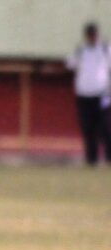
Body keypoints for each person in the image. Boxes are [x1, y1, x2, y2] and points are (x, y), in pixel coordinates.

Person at [66, 22, 111, 166]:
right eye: (90, 34)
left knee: (105, 125)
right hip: (84, 95)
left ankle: (109, 157)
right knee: (88, 127)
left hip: (103, 94)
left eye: (94, 34)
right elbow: (70, 64)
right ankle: (92, 159)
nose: (92, 37)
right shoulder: (81, 50)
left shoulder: (105, 48)